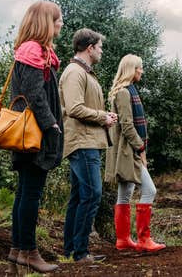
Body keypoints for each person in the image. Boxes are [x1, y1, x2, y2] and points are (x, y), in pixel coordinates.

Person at [6, 1, 64, 273]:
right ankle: (28, 251)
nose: (61, 23)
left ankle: (18, 249)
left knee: (25, 192)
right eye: (57, 18)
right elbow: (34, 95)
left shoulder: (37, 52)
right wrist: (51, 125)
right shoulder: (33, 51)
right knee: (31, 193)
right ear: (45, 21)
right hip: (34, 135)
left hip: (33, 132)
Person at [60, 28, 117, 263]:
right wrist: (102, 116)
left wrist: (102, 116)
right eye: (100, 47)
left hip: (87, 140)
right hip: (82, 142)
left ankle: (71, 250)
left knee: (79, 196)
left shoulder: (83, 72)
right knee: (92, 194)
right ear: (90, 47)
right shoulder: (75, 72)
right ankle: (80, 252)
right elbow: (74, 108)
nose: (102, 51)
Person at [105, 54, 165, 252]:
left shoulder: (127, 91)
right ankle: (144, 239)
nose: (142, 71)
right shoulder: (124, 93)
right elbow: (128, 126)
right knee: (150, 190)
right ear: (132, 69)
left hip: (127, 150)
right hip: (128, 151)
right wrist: (140, 148)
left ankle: (123, 239)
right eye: (140, 67)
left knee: (125, 193)